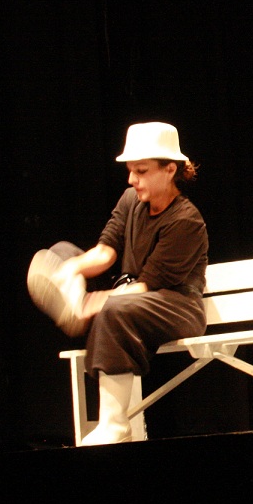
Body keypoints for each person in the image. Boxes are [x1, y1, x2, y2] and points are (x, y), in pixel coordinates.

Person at [27, 121, 209, 444]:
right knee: (63, 252)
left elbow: (148, 285)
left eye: (141, 171)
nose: (131, 179)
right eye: (130, 171)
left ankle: (115, 424)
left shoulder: (186, 220)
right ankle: (75, 304)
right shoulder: (130, 200)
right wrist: (69, 269)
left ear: (170, 169)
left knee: (115, 310)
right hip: (136, 299)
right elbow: (105, 251)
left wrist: (98, 302)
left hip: (177, 306)